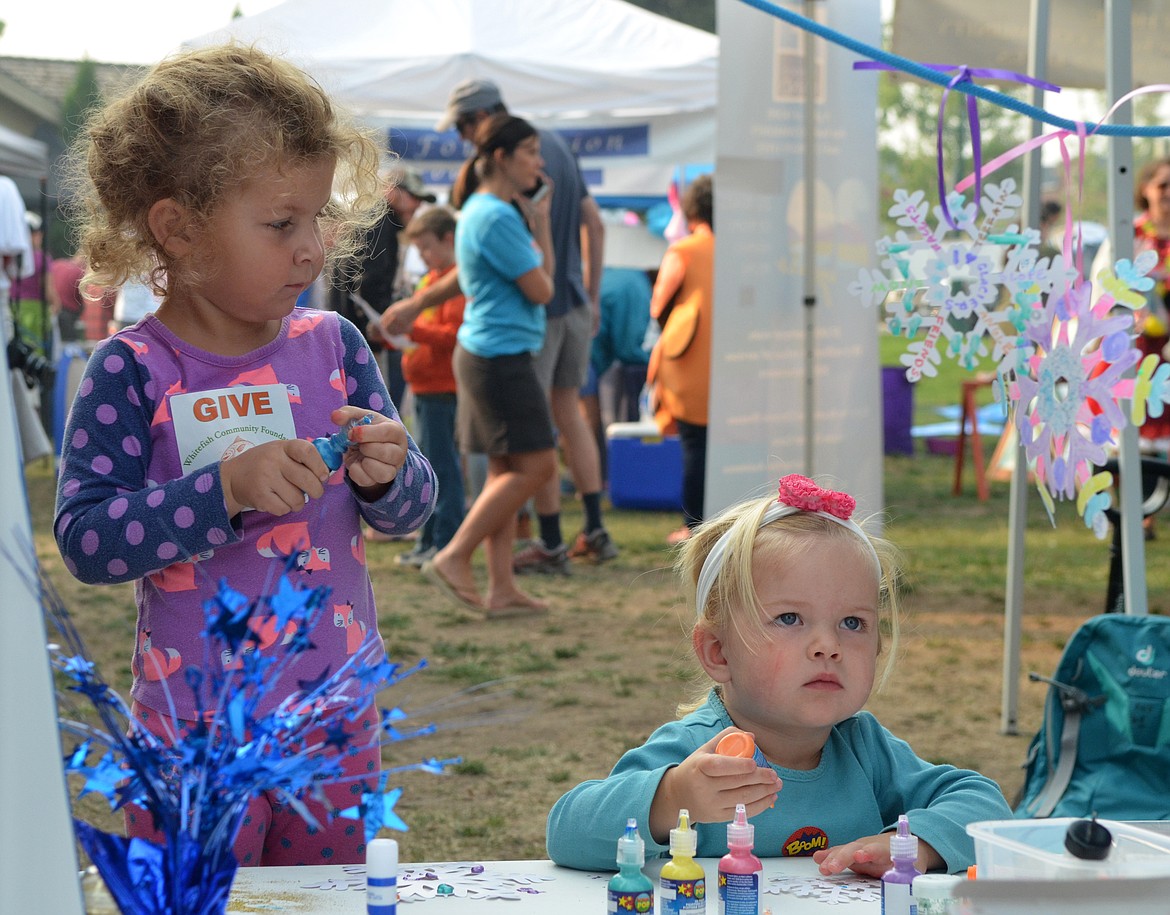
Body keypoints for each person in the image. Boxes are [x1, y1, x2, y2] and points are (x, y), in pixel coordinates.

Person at [54, 44, 436, 867]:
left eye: (317, 219)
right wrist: (221, 489)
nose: (312, 249)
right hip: (192, 735)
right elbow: (86, 539)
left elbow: (410, 513)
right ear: (179, 230)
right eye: (280, 223)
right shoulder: (131, 368)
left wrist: (391, 469)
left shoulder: (334, 345)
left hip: (336, 725)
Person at [546, 474, 1012, 873]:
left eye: (853, 623)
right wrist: (671, 798)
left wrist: (916, 845)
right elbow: (567, 830)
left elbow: (984, 807)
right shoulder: (698, 755)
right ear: (718, 652)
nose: (828, 646)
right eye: (790, 619)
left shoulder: (865, 750)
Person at [382, 79, 614, 571]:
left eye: (466, 127)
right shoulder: (523, 181)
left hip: (512, 334)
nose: (465, 138)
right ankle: (569, 532)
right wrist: (588, 297)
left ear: (485, 126)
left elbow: (473, 274)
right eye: (530, 154)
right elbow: (591, 226)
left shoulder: (491, 193)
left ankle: (521, 560)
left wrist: (417, 304)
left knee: (518, 458)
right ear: (507, 155)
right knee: (542, 445)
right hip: (530, 327)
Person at [419, 112, 557, 620]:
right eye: (531, 152)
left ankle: (502, 589)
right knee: (538, 467)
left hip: (490, 354)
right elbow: (543, 288)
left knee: (505, 471)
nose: (540, 164)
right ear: (501, 157)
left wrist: (538, 219)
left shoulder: (484, 210)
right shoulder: (496, 216)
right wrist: (538, 223)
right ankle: (454, 556)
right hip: (499, 359)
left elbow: (536, 281)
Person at [395, 206, 466, 569]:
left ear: (448, 240)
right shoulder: (429, 281)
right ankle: (429, 540)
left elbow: (453, 336)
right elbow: (421, 331)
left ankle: (444, 542)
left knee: (442, 469)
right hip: (423, 386)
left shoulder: (455, 282)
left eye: (425, 247)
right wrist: (392, 332)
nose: (422, 256)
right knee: (430, 467)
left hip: (442, 387)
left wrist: (410, 328)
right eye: (417, 249)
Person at [333, 166, 437, 410]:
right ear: (391, 192)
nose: (417, 206)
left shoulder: (370, 220)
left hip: (351, 335)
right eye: (414, 197)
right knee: (375, 415)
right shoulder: (380, 223)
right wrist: (386, 322)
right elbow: (369, 282)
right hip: (363, 338)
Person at [647, 174, 714, 545]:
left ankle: (694, 528)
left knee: (695, 447)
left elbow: (659, 305)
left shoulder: (684, 251)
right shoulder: (742, 252)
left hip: (690, 365)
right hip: (735, 364)